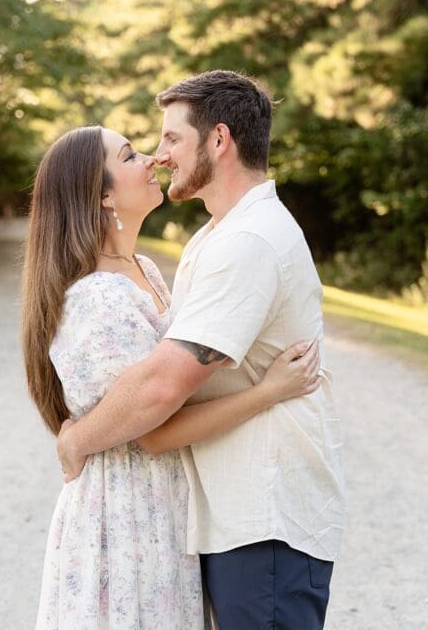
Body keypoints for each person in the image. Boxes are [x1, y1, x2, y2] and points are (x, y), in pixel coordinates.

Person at [56, 71, 346, 629]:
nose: (160, 156)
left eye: (170, 139)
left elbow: (162, 389)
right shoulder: (214, 236)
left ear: (218, 141)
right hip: (236, 518)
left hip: (267, 521)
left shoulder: (247, 242)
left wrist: (77, 440)